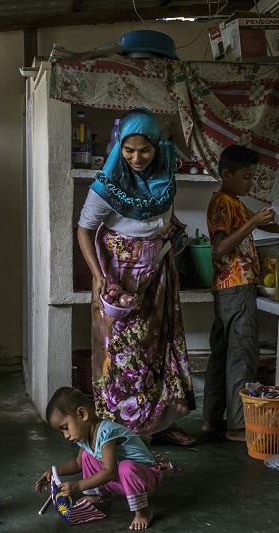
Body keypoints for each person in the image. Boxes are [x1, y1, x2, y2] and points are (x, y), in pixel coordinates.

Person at [77, 107, 196, 446]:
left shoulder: (165, 172)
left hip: (158, 272)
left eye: (144, 149)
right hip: (120, 278)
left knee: (159, 346)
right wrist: (98, 275)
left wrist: (168, 228)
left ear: (156, 145)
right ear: (119, 146)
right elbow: (84, 230)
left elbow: (161, 216)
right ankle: (124, 431)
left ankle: (161, 422)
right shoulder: (108, 184)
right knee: (124, 352)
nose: (136, 157)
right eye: (128, 149)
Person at [203, 144, 279, 441]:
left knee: (222, 356)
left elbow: (254, 225)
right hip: (236, 287)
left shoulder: (233, 202)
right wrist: (253, 223)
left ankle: (212, 420)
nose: (251, 183)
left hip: (228, 289)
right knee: (241, 356)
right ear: (227, 174)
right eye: (247, 177)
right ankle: (237, 427)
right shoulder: (223, 202)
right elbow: (221, 247)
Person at [36, 387, 162, 530]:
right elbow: (78, 464)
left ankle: (143, 512)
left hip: (145, 476)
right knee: (86, 456)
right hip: (122, 479)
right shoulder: (85, 437)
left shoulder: (105, 433)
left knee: (126, 468)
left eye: (65, 427)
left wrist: (78, 486)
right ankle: (100, 496)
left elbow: (109, 472)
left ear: (82, 414)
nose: (66, 435)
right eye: (62, 431)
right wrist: (54, 471)